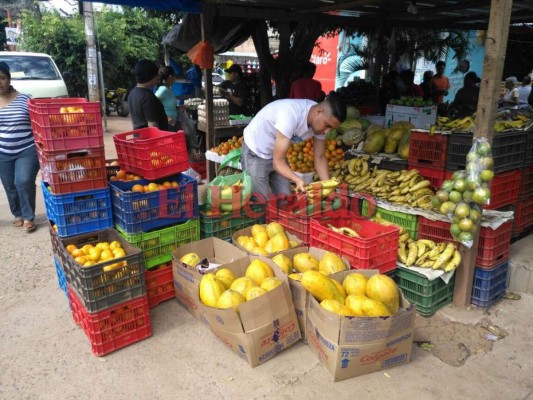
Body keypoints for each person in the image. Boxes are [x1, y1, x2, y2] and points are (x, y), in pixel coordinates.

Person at [241, 92, 346, 200]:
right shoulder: (291, 115)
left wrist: (329, 188)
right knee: (262, 203)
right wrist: (297, 179)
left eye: (331, 128)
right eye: (327, 125)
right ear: (319, 112)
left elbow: (319, 157)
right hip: (256, 152)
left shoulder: (320, 122)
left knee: (286, 199)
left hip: (277, 153)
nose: (327, 131)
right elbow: (278, 163)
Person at [0, 62, 40, 232]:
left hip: (27, 149)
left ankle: (28, 216)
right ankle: (17, 214)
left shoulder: (25, 99)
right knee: (9, 185)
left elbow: (38, 123)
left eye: (1, 78)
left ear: (8, 79)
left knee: (23, 181)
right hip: (3, 151)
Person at [128, 59, 168, 130]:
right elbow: (152, 125)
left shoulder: (132, 93)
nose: (159, 77)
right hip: (151, 139)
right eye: (157, 74)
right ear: (152, 76)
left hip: (139, 137)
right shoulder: (148, 97)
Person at [155, 66, 179, 131]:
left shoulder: (169, 90)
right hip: (166, 125)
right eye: (175, 76)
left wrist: (177, 108)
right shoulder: (163, 90)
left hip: (172, 124)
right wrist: (167, 118)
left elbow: (167, 105)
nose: (175, 78)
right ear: (170, 77)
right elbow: (153, 104)